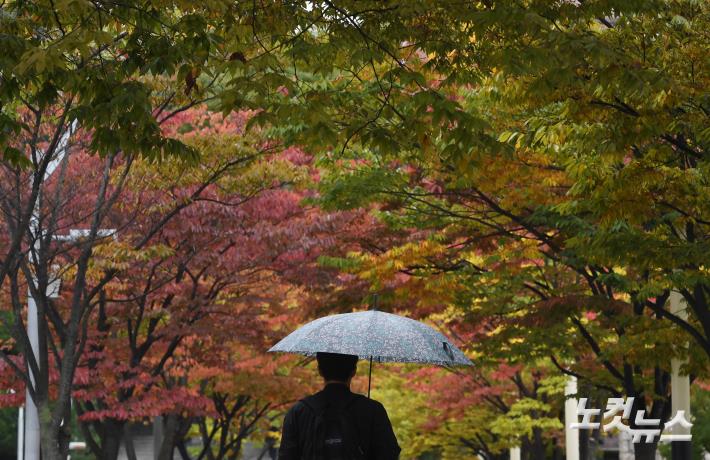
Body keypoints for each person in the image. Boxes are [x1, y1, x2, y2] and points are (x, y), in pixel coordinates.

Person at [278, 352, 401, 460]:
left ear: (320, 370)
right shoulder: (373, 410)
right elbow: (389, 453)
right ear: (354, 370)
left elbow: (286, 455)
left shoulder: (298, 412)